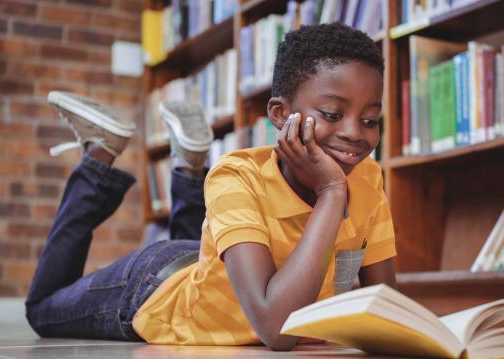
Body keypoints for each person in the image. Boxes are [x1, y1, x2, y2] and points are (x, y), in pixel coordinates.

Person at [26, 23, 397, 351]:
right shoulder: (237, 176)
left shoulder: (368, 178)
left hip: (216, 265)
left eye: (369, 119)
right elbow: (277, 330)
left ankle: (188, 167)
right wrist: (331, 193)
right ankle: (98, 158)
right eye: (332, 114)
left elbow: (386, 311)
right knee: (41, 309)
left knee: (212, 265)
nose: (354, 133)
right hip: (152, 291)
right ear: (280, 115)